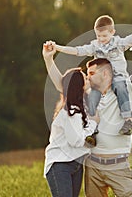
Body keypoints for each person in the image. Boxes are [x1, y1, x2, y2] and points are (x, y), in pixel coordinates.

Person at [44, 16, 132, 197]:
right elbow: (63, 86)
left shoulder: (128, 88)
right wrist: (48, 59)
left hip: (119, 167)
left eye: (91, 73)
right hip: (93, 168)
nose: (88, 77)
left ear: (105, 73)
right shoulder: (88, 96)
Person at [50, 15, 132, 135]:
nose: (101, 39)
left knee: (121, 88)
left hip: (117, 77)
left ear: (112, 32)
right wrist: (57, 48)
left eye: (104, 36)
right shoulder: (95, 46)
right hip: (101, 82)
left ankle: (128, 121)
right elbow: (78, 51)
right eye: (98, 36)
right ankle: (92, 128)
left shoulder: (118, 43)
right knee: (92, 97)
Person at [42, 45, 100, 197]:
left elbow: (63, 83)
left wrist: (48, 58)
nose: (88, 79)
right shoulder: (69, 112)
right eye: (86, 78)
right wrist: (93, 124)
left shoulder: (83, 102)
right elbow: (76, 141)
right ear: (79, 86)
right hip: (60, 165)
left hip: (76, 163)